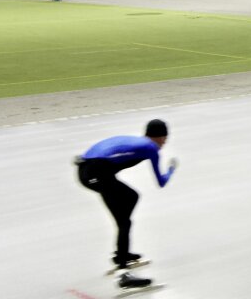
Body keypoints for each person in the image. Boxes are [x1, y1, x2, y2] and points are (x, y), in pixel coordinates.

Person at [75, 118, 176, 283]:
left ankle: (121, 253)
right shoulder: (151, 148)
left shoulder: (138, 141)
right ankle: (123, 273)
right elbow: (161, 182)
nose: (165, 142)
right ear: (159, 137)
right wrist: (171, 170)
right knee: (124, 223)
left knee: (131, 198)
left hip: (88, 169)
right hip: (95, 173)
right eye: (165, 138)